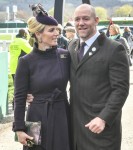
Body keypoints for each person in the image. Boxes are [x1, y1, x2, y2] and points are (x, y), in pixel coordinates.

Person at [68, 4, 129, 150]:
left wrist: (103, 118)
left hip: (100, 129)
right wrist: (33, 92)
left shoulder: (114, 49)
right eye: (77, 19)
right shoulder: (72, 46)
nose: (81, 23)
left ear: (96, 20)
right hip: (75, 128)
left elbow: (120, 90)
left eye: (85, 19)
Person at [13, 4, 71, 150]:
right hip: (36, 118)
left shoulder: (65, 56)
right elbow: (19, 97)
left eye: (57, 29)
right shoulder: (25, 61)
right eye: (51, 30)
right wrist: (19, 129)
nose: (57, 33)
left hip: (62, 115)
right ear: (38, 34)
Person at [9, 29, 32, 109]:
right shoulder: (23, 41)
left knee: (17, 87)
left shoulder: (13, 41)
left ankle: (14, 104)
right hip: (20, 67)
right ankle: (19, 105)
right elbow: (31, 51)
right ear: (25, 35)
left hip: (12, 67)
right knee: (22, 87)